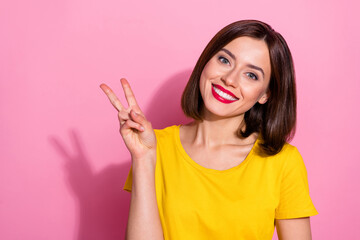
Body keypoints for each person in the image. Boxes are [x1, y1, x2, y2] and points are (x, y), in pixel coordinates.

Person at [100, 20, 318, 240]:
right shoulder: (154, 148)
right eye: (224, 60)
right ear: (206, 62)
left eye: (251, 75)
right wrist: (143, 158)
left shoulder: (283, 162)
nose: (229, 79)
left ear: (265, 95)